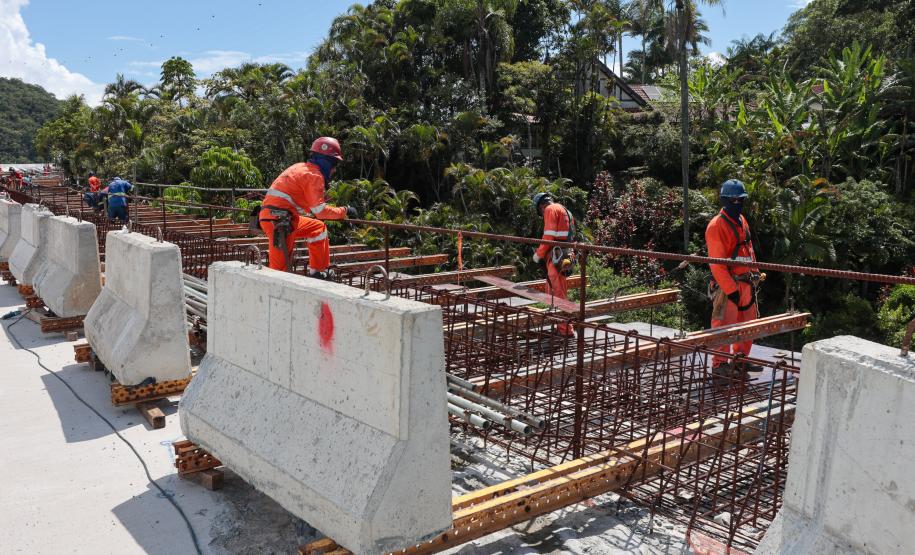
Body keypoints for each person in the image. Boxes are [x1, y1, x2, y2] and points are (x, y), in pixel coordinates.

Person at [258, 137, 357, 278]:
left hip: (280, 218)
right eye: (334, 164)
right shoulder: (314, 175)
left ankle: (318, 272)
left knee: (318, 228)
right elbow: (320, 211)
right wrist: (344, 211)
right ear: (327, 162)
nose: (334, 170)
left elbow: (311, 207)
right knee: (278, 273)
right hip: (279, 222)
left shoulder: (300, 168)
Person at [705, 179, 762, 380]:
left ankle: (740, 360)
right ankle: (719, 365)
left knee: (748, 324)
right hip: (727, 286)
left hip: (746, 282)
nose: (737, 203)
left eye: (741, 200)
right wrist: (731, 290)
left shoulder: (741, 220)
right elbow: (717, 264)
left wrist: (755, 272)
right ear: (725, 200)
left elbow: (748, 249)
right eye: (733, 200)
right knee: (724, 325)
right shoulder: (716, 226)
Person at [532, 192, 576, 337]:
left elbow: (548, 237)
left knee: (557, 295)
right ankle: (562, 327)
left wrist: (539, 254)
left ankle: (565, 330)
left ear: (541, 206)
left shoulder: (550, 209)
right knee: (555, 292)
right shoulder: (565, 210)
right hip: (564, 255)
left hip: (556, 255)